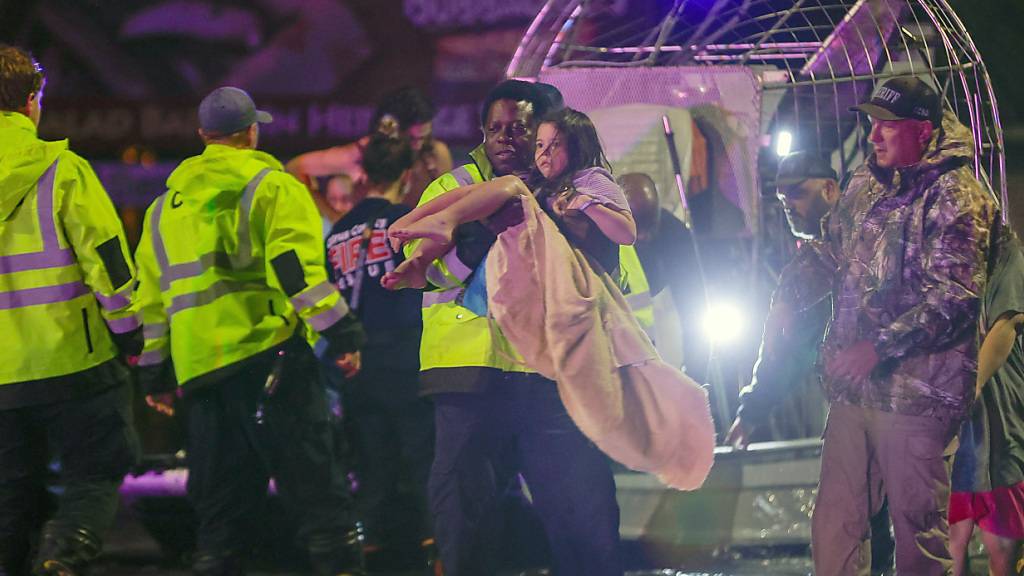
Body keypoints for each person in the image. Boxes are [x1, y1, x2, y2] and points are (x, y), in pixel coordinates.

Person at [134, 86, 367, 576]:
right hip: (270, 360)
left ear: (204, 136)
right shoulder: (273, 186)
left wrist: (154, 375)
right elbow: (297, 272)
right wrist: (342, 333)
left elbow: (151, 303)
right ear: (252, 132)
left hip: (202, 375)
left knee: (221, 521)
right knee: (322, 505)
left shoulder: (161, 210)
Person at [406, 79, 624, 576]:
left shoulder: (583, 193)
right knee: (466, 522)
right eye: (494, 128)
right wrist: (485, 228)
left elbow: (614, 277)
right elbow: (426, 274)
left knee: (584, 517)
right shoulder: (452, 189)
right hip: (469, 376)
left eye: (519, 128)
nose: (504, 138)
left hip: (552, 377)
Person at [811, 77, 995, 575]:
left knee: (917, 529)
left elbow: (956, 295)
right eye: (872, 124)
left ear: (924, 130)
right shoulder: (862, 185)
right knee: (835, 524)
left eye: (887, 126)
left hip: (918, 395)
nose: (874, 136)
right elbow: (832, 256)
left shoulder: (956, 195)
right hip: (855, 393)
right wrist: (800, 311)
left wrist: (877, 347)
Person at [0, 44, 142, 576]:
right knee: (98, 470)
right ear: (33, 100)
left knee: (10, 492)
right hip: (74, 363)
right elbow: (108, 265)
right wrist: (129, 335)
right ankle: (63, 556)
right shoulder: (64, 171)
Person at [324, 134, 434, 558]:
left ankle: (364, 553)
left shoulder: (336, 233)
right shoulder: (408, 221)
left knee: (371, 467)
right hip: (407, 359)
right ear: (406, 177)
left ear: (364, 175)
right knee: (424, 460)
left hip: (357, 364)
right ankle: (436, 553)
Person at [383, 107, 636, 290]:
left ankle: (442, 225)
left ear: (577, 147)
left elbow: (627, 233)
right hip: (544, 285)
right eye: (539, 145)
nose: (544, 153)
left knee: (510, 185)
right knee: (494, 192)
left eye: (555, 145)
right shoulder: (540, 183)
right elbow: (465, 194)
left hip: (583, 286)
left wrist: (588, 205)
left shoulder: (591, 178)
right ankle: (420, 260)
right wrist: (412, 217)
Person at [949, 225, 1024, 576]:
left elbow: (1006, 322)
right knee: (950, 546)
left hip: (999, 427)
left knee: (1002, 549)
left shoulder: (1000, 245)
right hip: (952, 437)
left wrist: (971, 384)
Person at [287, 86, 453, 218]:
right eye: (411, 139)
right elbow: (294, 168)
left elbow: (449, 209)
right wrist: (333, 216)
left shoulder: (435, 156)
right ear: (391, 130)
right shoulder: (360, 154)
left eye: (424, 138)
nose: (418, 146)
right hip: (369, 247)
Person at [617, 172, 709, 381]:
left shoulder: (676, 235)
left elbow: (693, 302)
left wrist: (696, 373)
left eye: (648, 227)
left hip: (666, 333)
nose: (643, 237)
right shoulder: (602, 237)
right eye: (637, 228)